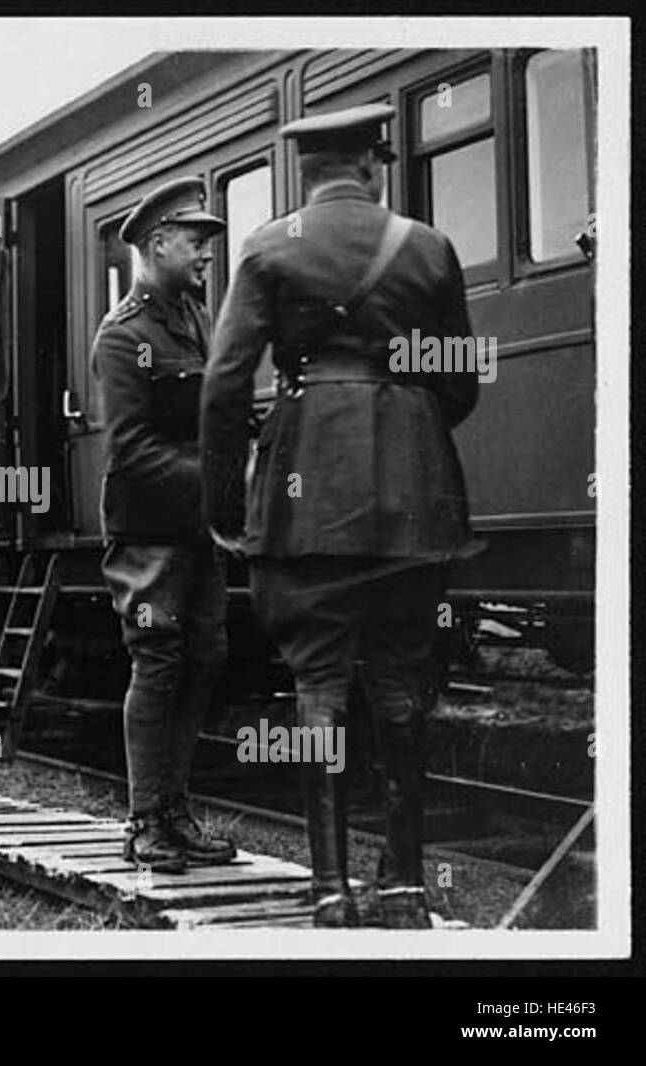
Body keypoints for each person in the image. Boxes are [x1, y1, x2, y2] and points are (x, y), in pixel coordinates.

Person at [199, 104, 481, 927]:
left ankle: (329, 892)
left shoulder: (268, 246)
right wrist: (409, 428)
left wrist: (226, 504)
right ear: (372, 166)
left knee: (317, 688)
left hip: (305, 492)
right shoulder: (428, 246)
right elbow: (457, 376)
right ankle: (406, 888)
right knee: (400, 684)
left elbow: (223, 385)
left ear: (307, 173)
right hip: (414, 496)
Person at [92, 177, 238, 874]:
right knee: (158, 660)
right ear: (157, 243)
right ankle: (145, 822)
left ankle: (174, 813)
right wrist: (218, 480)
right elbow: (130, 447)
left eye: (209, 241)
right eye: (196, 240)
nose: (208, 253)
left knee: (203, 658)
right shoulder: (123, 336)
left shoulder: (196, 317)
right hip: (149, 530)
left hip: (196, 529)